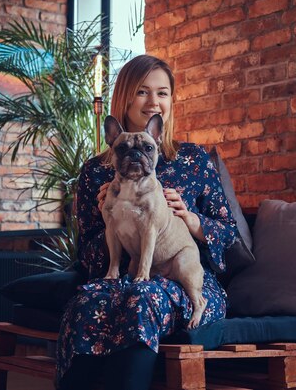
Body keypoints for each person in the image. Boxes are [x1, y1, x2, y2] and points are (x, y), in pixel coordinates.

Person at [56, 54, 239, 390]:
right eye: (142, 92)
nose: (154, 102)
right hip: (121, 279)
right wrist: (107, 217)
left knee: (143, 301)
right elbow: (88, 256)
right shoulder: (96, 171)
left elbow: (229, 235)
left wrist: (191, 219)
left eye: (163, 93)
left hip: (186, 278)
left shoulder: (193, 160)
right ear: (124, 98)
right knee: (87, 304)